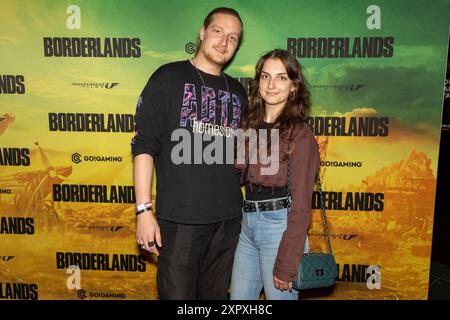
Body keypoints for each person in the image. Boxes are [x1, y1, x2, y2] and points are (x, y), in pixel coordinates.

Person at [131, 7, 247, 300]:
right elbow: (144, 146)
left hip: (229, 220)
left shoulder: (238, 91)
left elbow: (240, 153)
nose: (224, 42)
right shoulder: (167, 77)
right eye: (218, 31)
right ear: (202, 32)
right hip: (181, 220)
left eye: (233, 37)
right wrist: (143, 212)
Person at [230, 49, 320, 300]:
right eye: (265, 76)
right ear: (257, 82)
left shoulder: (300, 136)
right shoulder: (248, 125)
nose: (271, 85)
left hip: (279, 227)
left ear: (294, 86)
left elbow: (301, 205)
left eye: (281, 77)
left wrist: (288, 262)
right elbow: (236, 175)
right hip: (247, 226)